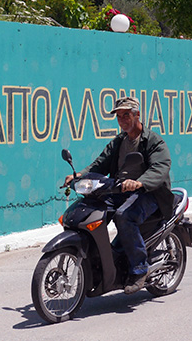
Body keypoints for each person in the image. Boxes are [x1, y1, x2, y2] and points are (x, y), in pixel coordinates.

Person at [62, 96, 173, 294]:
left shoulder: (153, 141)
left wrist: (140, 182)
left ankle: (139, 270)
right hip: (120, 189)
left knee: (124, 216)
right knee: (92, 206)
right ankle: (102, 259)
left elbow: (160, 167)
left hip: (150, 193)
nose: (122, 120)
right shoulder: (119, 142)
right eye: (119, 116)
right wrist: (78, 175)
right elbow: (100, 164)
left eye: (126, 115)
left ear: (137, 115)